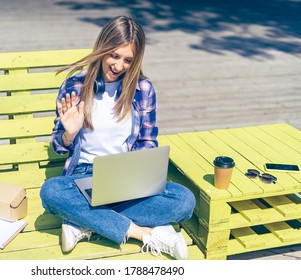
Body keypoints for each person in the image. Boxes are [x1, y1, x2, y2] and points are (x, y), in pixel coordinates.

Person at [40, 16, 195, 260]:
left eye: (127, 60)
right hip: (83, 175)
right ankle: (142, 233)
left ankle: (84, 220)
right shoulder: (75, 85)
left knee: (185, 201)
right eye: (113, 55)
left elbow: (147, 142)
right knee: (51, 192)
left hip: (125, 176)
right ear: (102, 49)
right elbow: (59, 148)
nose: (119, 65)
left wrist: (144, 174)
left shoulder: (142, 89)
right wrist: (69, 133)